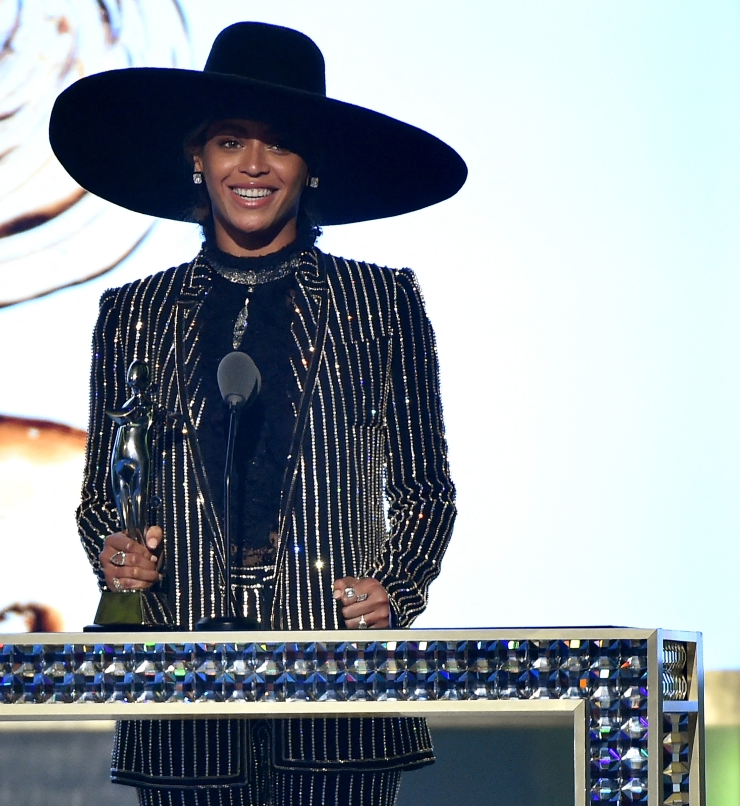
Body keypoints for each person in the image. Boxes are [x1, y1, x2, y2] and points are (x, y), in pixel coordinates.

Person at [51, 21, 465, 806]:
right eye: (229, 141)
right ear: (196, 161)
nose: (252, 165)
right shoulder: (134, 313)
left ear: (310, 168)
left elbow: (423, 487)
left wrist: (396, 588)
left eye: (277, 144)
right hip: (182, 692)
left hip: (340, 692)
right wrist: (115, 552)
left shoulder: (381, 303)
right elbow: (106, 490)